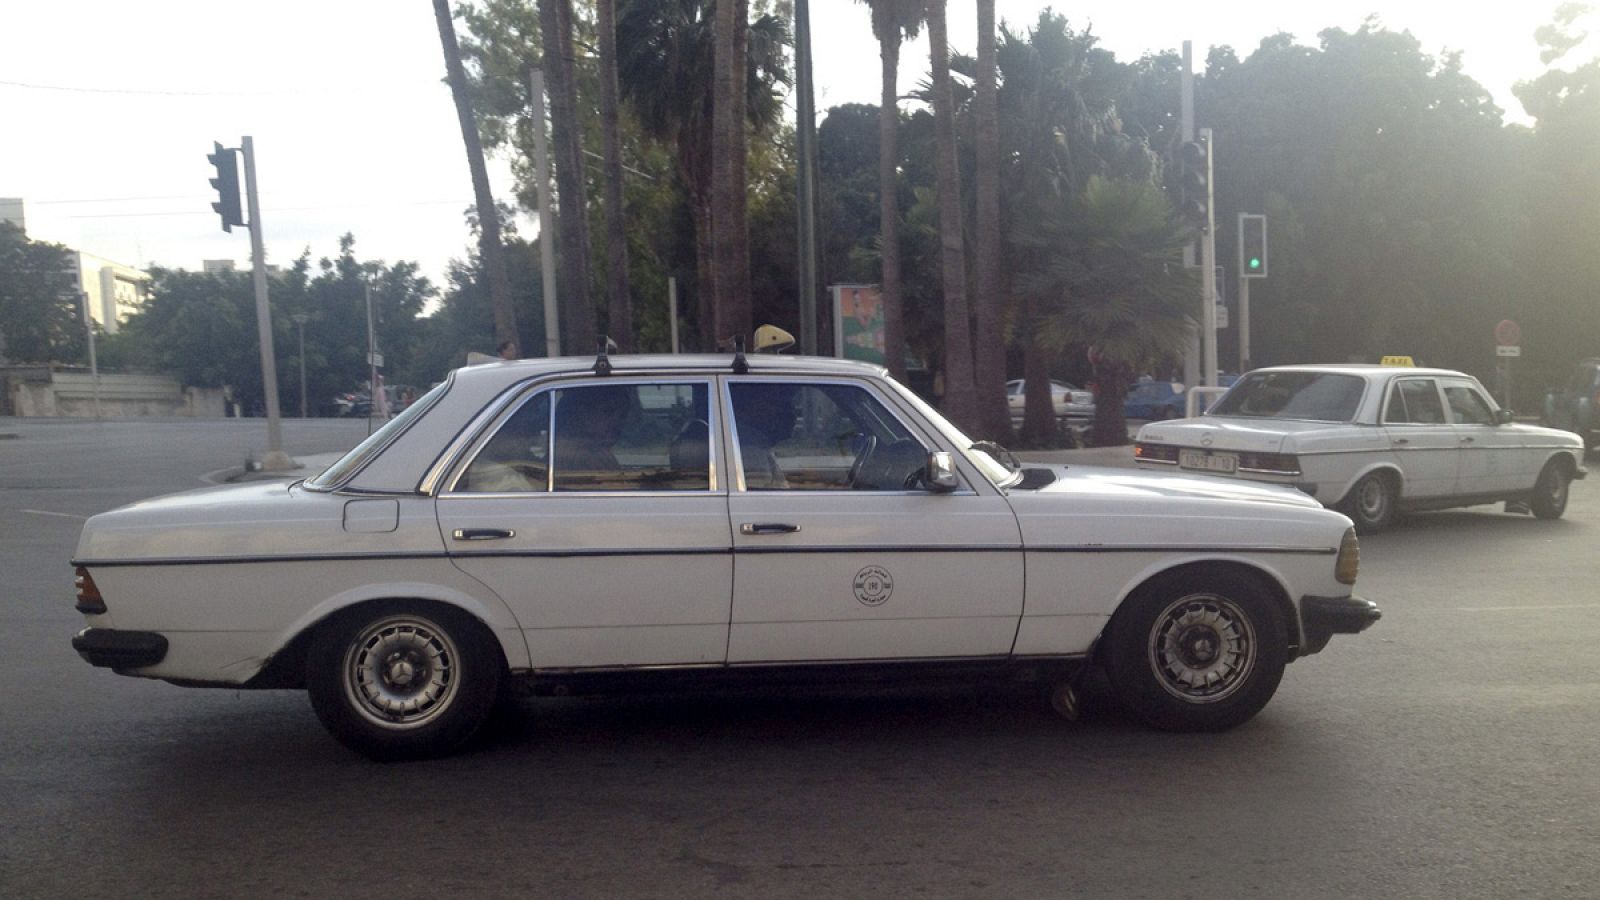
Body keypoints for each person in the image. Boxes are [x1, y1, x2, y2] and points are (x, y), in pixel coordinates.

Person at [552, 386, 632, 488]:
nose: (616, 421)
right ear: (584, 413)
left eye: (622, 415)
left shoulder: (598, 451)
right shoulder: (578, 455)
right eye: (607, 412)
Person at [731, 384, 796, 489]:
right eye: (781, 405)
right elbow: (760, 496)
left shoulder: (761, 447)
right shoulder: (751, 451)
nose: (792, 416)